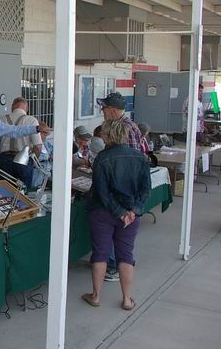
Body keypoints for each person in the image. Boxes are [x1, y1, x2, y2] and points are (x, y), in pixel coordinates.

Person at [81, 119, 151, 311]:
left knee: (100, 254)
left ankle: (96, 296)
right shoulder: (140, 157)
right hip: (130, 215)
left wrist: (119, 212)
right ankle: (127, 299)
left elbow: (102, 191)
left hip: (103, 213)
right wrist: (133, 211)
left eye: (103, 134)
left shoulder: (102, 158)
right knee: (126, 255)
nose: (102, 137)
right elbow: (146, 190)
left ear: (109, 136)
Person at [97, 92, 144, 282]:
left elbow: (128, 163)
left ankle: (114, 266)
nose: (102, 111)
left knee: (119, 235)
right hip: (122, 192)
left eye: (104, 108)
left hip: (121, 193)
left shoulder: (126, 128)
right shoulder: (128, 125)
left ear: (113, 110)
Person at [0, 97, 43, 188]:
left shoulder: (1, 120)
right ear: (27, 109)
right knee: (23, 193)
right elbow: (38, 146)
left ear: (12, 107)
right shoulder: (31, 120)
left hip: (5, 160)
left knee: (5, 191)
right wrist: (33, 161)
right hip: (24, 160)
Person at [32, 121, 53, 188]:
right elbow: (33, 158)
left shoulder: (46, 143)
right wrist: (48, 157)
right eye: (44, 134)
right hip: (37, 174)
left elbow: (54, 151)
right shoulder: (32, 144)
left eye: (46, 134)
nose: (45, 136)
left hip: (48, 173)